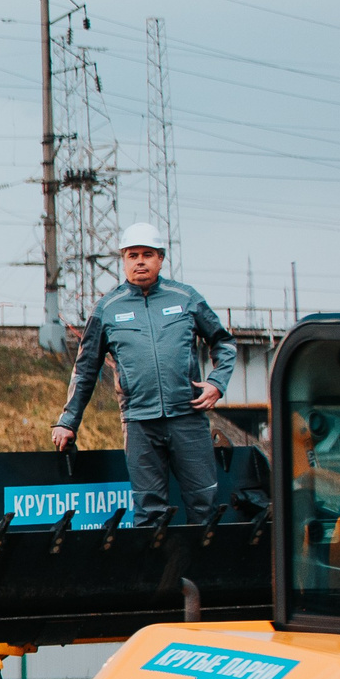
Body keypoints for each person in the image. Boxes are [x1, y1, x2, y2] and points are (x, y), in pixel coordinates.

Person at [51, 220, 235, 526]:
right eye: (132, 255)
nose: (140, 261)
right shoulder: (107, 309)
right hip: (139, 424)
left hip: (188, 419)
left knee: (204, 507)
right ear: (123, 260)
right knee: (150, 513)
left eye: (147, 254)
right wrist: (68, 421)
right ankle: (154, 576)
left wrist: (217, 383)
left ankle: (201, 574)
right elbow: (85, 370)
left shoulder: (185, 298)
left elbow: (223, 342)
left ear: (160, 258)